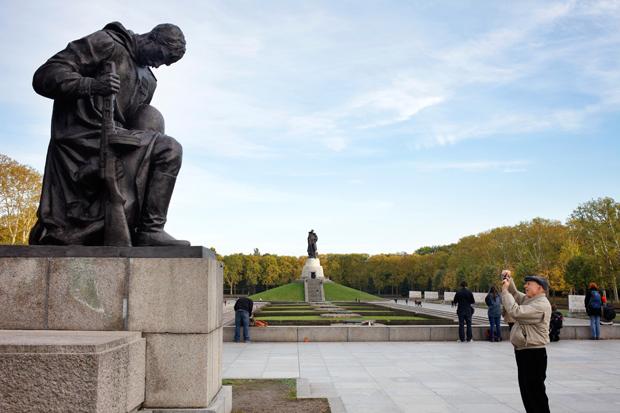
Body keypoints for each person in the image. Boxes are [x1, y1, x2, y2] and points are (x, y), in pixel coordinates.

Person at [29, 22, 189, 246]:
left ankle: (149, 229)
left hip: (118, 140)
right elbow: (45, 76)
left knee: (166, 148)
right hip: (80, 139)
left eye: (165, 63)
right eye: (160, 56)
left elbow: (136, 121)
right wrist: (91, 85)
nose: (159, 65)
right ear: (152, 38)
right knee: (170, 148)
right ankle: (148, 228)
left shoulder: (149, 80)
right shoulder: (107, 43)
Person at [501, 270, 552, 413]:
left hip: (533, 353)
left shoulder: (541, 304)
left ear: (540, 288)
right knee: (527, 392)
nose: (526, 286)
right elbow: (516, 296)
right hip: (525, 351)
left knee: (535, 394)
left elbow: (515, 311)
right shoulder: (532, 300)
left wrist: (505, 292)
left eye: (529, 284)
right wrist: (509, 280)